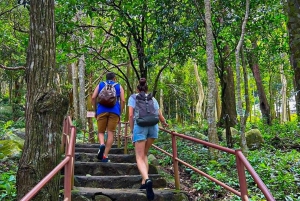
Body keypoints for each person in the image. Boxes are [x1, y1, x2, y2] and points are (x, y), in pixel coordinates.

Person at [128, 78, 168, 200]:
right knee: (144, 154)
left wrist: (131, 129)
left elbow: (130, 115)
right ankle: (144, 182)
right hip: (153, 127)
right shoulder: (152, 98)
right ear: (147, 88)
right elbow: (159, 114)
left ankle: (147, 179)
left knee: (139, 156)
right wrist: (164, 123)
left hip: (140, 127)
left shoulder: (133, 97)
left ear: (137, 88)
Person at [92, 72, 125, 162]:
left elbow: (93, 97)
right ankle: (105, 156)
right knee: (110, 133)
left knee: (101, 132)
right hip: (114, 112)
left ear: (106, 78)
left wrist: (96, 110)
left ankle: (102, 144)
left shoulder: (101, 84)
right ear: (114, 78)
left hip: (101, 110)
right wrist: (120, 113)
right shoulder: (119, 86)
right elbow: (122, 100)